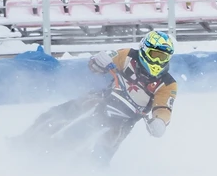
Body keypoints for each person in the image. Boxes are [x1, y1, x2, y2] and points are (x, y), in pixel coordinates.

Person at [18, 30, 177, 162]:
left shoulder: (167, 84)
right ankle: (24, 141)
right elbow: (98, 65)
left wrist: (160, 122)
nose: (157, 61)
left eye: (163, 57)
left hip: (125, 119)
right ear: (144, 50)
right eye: (155, 54)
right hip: (103, 97)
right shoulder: (127, 55)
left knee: (103, 148)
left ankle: (90, 175)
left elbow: (164, 107)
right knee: (56, 114)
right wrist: (99, 61)